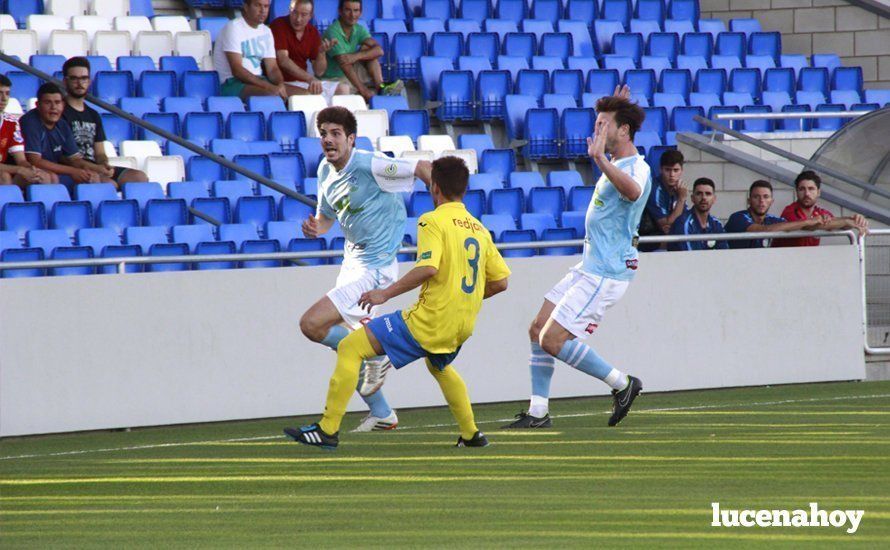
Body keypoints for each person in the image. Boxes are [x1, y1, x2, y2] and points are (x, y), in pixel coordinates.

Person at [285, 156, 511, 449]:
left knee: (350, 347)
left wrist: (384, 294)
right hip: (462, 325)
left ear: (435, 189)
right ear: (464, 190)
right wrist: (462, 297)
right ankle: (471, 435)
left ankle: (327, 429)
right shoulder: (479, 229)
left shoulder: (432, 220)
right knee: (440, 367)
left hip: (430, 321)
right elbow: (501, 282)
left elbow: (428, 268)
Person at [503, 86, 650, 430]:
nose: (597, 131)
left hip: (607, 272)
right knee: (537, 328)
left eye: (603, 125)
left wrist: (599, 159)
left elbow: (633, 192)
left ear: (623, 130)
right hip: (589, 266)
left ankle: (622, 383)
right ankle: (538, 412)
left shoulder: (636, 166)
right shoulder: (616, 163)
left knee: (552, 339)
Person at [296, 106, 432, 432]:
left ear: (351, 138)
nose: (328, 140)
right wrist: (318, 227)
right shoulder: (325, 172)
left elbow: (423, 167)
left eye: (336, 134)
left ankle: (377, 353)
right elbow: (327, 215)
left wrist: (444, 210)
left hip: (376, 267)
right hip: (351, 265)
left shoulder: (370, 165)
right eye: (324, 134)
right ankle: (383, 413)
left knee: (312, 324)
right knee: (347, 346)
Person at [61, 57, 147, 190]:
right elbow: (63, 156)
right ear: (65, 81)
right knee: (109, 185)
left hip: (95, 165)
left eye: (84, 78)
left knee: (139, 177)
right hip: (75, 168)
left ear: (89, 81)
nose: (80, 83)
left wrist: (104, 164)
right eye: (74, 78)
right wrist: (96, 169)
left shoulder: (93, 114)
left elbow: (100, 152)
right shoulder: (59, 111)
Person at [20, 83, 112, 187]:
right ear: (38, 105)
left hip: (54, 171)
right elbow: (35, 161)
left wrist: (97, 169)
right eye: (47, 102)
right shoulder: (30, 122)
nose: (53, 107)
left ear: (63, 105)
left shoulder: (62, 124)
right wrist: (73, 171)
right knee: (51, 178)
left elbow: (74, 159)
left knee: (94, 178)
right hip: (28, 173)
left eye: (57, 102)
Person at [212, 0, 303, 100]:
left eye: (266, 6)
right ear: (246, 7)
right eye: (258, 5)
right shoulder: (233, 27)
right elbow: (237, 70)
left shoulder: (266, 31)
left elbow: (272, 68)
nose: (263, 11)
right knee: (272, 96)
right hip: (232, 83)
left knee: (305, 95)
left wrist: (280, 84)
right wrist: (268, 87)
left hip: (259, 80)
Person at [321, 0, 403, 103]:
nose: (352, 15)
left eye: (356, 10)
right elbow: (345, 64)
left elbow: (379, 50)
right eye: (348, 10)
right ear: (340, 11)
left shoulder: (358, 29)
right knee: (360, 56)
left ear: (361, 12)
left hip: (350, 70)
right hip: (334, 78)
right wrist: (364, 91)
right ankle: (368, 93)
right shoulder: (332, 32)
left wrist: (356, 56)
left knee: (368, 51)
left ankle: (381, 87)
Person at [270, 0, 344, 101]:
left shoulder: (313, 32)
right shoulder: (278, 24)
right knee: (309, 96)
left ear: (310, 16)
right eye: (294, 12)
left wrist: (321, 54)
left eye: (304, 15)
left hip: (303, 82)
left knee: (343, 89)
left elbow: (319, 72)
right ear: (290, 10)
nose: (298, 19)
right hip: (282, 82)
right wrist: (310, 78)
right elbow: (283, 60)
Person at [772, 171, 869, 247]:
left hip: (808, 263)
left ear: (818, 192)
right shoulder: (789, 211)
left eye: (811, 189)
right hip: (784, 263)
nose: (807, 194)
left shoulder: (820, 212)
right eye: (802, 189)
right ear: (796, 192)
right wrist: (846, 221)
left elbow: (836, 224)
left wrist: (854, 220)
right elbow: (807, 227)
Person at [725, 180, 828, 249]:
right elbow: (763, 230)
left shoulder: (773, 220)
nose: (761, 201)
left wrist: (841, 221)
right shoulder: (738, 217)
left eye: (766, 197)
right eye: (756, 197)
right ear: (749, 200)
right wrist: (808, 221)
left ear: (772, 201)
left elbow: (792, 227)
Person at [0, 74, 53, 188]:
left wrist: (31, 169)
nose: (4, 98)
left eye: (7, 93)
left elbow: (21, 160)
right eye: (0, 93)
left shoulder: (11, 122)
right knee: (3, 177)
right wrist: (19, 169)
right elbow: (18, 167)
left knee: (43, 177)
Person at [638, 149, 686, 251]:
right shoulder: (654, 188)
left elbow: (682, 219)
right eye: (668, 170)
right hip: (646, 240)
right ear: (660, 169)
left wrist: (672, 225)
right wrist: (682, 199)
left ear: (682, 170)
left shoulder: (680, 189)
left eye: (676, 170)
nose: (672, 175)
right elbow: (665, 224)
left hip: (666, 237)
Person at [667, 178, 729, 251]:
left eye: (708, 194)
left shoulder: (716, 223)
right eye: (699, 194)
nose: (704, 198)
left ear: (714, 199)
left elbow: (724, 254)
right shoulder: (684, 223)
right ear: (692, 198)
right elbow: (692, 257)